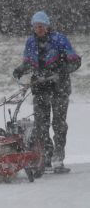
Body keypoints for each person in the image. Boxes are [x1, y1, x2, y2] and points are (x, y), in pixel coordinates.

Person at [13, 11, 81, 173]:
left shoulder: (59, 40)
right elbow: (28, 62)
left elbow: (75, 61)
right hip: (40, 88)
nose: (39, 29)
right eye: (36, 26)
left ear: (47, 26)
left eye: (41, 26)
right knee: (41, 125)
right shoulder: (30, 42)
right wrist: (20, 70)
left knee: (58, 124)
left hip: (60, 89)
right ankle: (47, 156)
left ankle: (59, 158)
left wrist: (62, 69)